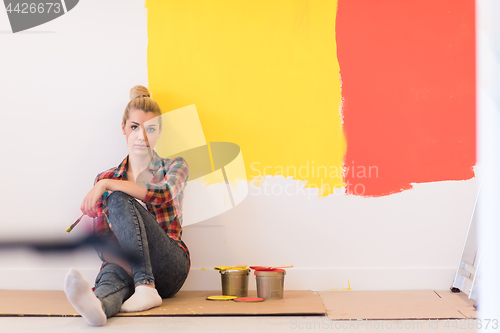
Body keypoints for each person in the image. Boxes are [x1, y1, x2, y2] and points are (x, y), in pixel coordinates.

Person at [63, 85, 190, 326]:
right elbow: (104, 242)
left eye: (150, 129)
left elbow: (162, 194)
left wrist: (107, 185)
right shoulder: (105, 178)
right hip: (126, 262)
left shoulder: (175, 166)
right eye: (134, 127)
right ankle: (97, 307)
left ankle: (145, 287)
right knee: (111, 276)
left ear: (158, 132)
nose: (142, 136)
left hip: (169, 268)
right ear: (123, 129)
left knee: (118, 196)